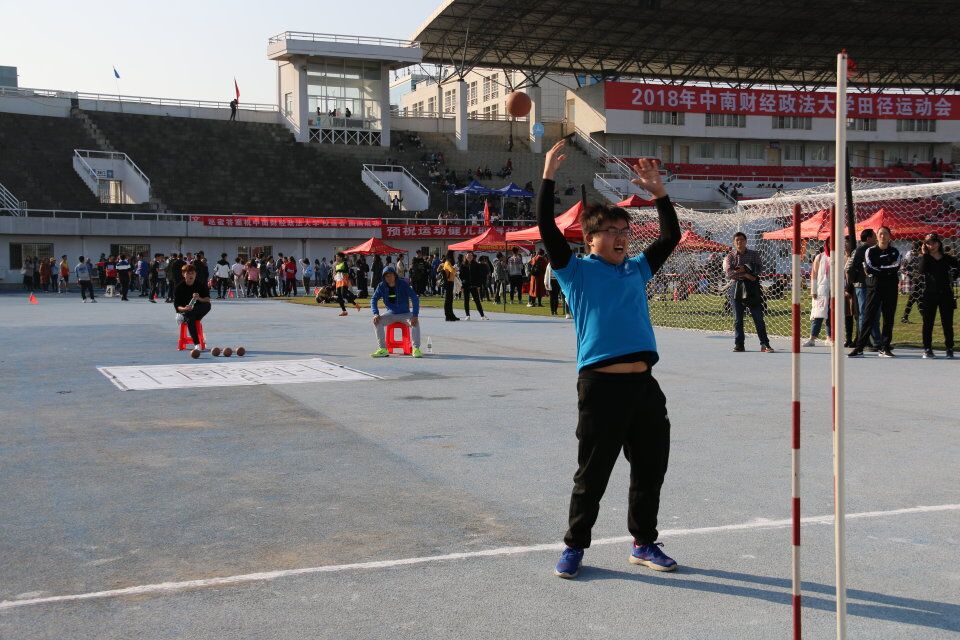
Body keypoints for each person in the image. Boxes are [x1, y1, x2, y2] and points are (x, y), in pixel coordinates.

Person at [539, 140, 681, 579]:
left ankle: (643, 542)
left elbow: (670, 237)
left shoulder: (636, 268)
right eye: (612, 231)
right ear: (590, 238)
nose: (621, 237)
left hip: (643, 386)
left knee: (651, 469)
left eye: (625, 231)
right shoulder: (575, 272)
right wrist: (548, 176)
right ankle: (574, 546)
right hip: (601, 387)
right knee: (592, 474)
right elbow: (547, 230)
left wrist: (660, 194)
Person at [849, 226, 901, 357]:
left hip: (890, 288)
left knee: (888, 318)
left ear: (889, 236)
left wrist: (880, 268)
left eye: (885, 233)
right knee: (868, 317)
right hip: (874, 287)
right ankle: (859, 348)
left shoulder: (895, 251)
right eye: (880, 234)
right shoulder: (870, 251)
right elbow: (870, 267)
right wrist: (885, 268)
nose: (883, 236)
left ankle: (885, 347)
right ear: (877, 236)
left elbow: (895, 266)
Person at [724, 232, 773, 352]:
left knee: (758, 317)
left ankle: (765, 344)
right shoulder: (730, 256)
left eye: (741, 240)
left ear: (746, 241)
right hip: (736, 287)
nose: (739, 242)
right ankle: (739, 344)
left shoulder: (754, 254)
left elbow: (760, 269)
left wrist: (745, 270)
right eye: (737, 240)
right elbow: (729, 273)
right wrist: (747, 274)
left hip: (752, 288)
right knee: (738, 319)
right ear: (734, 242)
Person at [917, 233, 958, 358]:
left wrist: (954, 276)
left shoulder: (946, 258)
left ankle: (949, 348)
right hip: (929, 294)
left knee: (947, 323)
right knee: (928, 323)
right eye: (928, 243)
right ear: (925, 245)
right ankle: (927, 348)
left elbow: (957, 266)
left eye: (934, 242)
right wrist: (924, 254)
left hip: (946, 294)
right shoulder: (925, 258)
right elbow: (921, 270)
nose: (932, 245)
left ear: (939, 243)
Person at [369, 266, 423, 358]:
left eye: (390, 275)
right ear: (384, 277)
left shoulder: (403, 284)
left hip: (405, 314)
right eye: (386, 276)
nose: (388, 278)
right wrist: (376, 313)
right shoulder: (381, 286)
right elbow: (373, 299)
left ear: (395, 275)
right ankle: (383, 349)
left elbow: (414, 298)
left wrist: (415, 315)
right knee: (377, 321)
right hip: (391, 314)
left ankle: (416, 348)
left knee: (415, 322)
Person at [847, 229, 881, 349]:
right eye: (875, 236)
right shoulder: (860, 250)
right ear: (868, 238)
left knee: (871, 313)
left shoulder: (869, 249)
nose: (877, 238)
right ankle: (865, 340)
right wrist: (854, 282)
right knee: (865, 313)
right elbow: (849, 268)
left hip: (868, 285)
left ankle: (875, 340)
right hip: (863, 286)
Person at [172, 264, 212, 356]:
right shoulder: (179, 287)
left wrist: (199, 298)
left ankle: (197, 343)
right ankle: (197, 344)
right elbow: (177, 306)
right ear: (183, 274)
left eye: (192, 273)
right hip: (186, 311)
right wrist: (185, 308)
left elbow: (207, 299)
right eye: (188, 273)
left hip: (198, 310)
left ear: (195, 274)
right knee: (190, 317)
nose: (191, 275)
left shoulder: (200, 285)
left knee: (207, 305)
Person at [803, 243, 832, 347]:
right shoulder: (819, 257)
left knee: (831, 315)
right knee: (818, 315)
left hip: (834, 290)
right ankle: (812, 339)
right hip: (821, 290)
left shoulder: (839, 256)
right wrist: (813, 290)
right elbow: (814, 274)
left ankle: (829, 338)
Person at [460, 251, 488, 320]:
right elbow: (461, 275)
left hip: (474, 285)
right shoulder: (463, 265)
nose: (469, 257)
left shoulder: (476, 264)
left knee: (477, 300)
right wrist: (462, 285)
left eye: (470, 256)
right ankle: (467, 315)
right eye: (468, 256)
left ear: (473, 257)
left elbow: (479, 275)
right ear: (466, 257)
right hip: (466, 285)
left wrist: (478, 285)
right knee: (466, 300)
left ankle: (482, 315)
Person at [900, 240, 923, 323]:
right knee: (919, 299)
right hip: (913, 281)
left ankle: (904, 317)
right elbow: (902, 269)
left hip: (918, 281)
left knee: (912, 299)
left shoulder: (920, 256)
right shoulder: (909, 256)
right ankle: (925, 317)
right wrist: (911, 274)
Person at [333, 252, 361, 316]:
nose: (336, 258)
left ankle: (356, 305)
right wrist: (334, 279)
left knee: (344, 295)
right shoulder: (336, 265)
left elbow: (347, 271)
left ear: (341, 257)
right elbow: (336, 273)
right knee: (339, 297)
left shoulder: (344, 263)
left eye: (337, 257)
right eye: (336, 257)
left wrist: (339, 271)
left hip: (344, 281)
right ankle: (344, 311)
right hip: (338, 281)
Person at [441, 250, 459, 321]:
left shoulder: (448, 263)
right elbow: (452, 270)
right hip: (448, 282)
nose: (455, 255)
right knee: (448, 300)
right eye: (454, 254)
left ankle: (451, 314)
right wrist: (455, 269)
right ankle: (448, 315)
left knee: (450, 300)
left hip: (450, 282)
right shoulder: (447, 263)